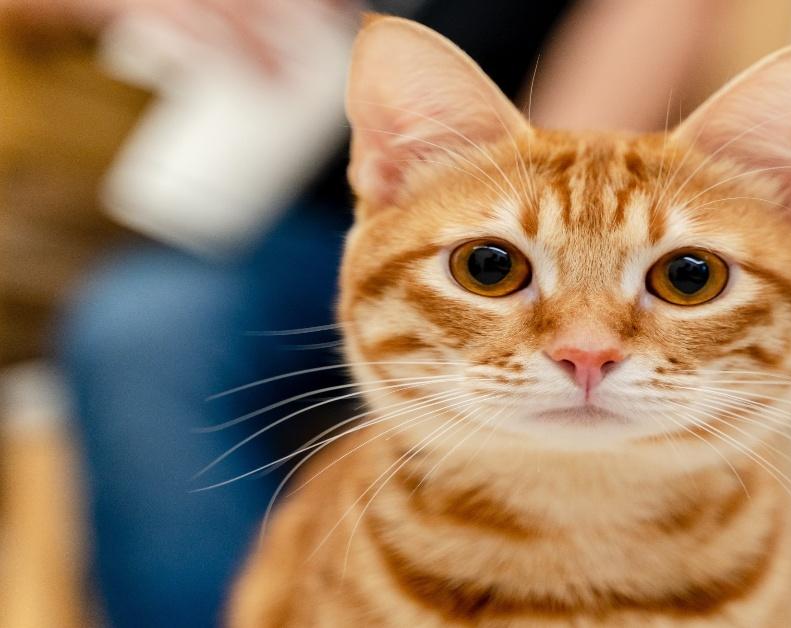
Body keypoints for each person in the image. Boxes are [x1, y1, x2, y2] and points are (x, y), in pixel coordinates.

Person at [33, 0, 724, 625]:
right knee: (140, 325)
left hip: (485, 234)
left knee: (147, 325)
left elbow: (568, 213)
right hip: (262, 223)